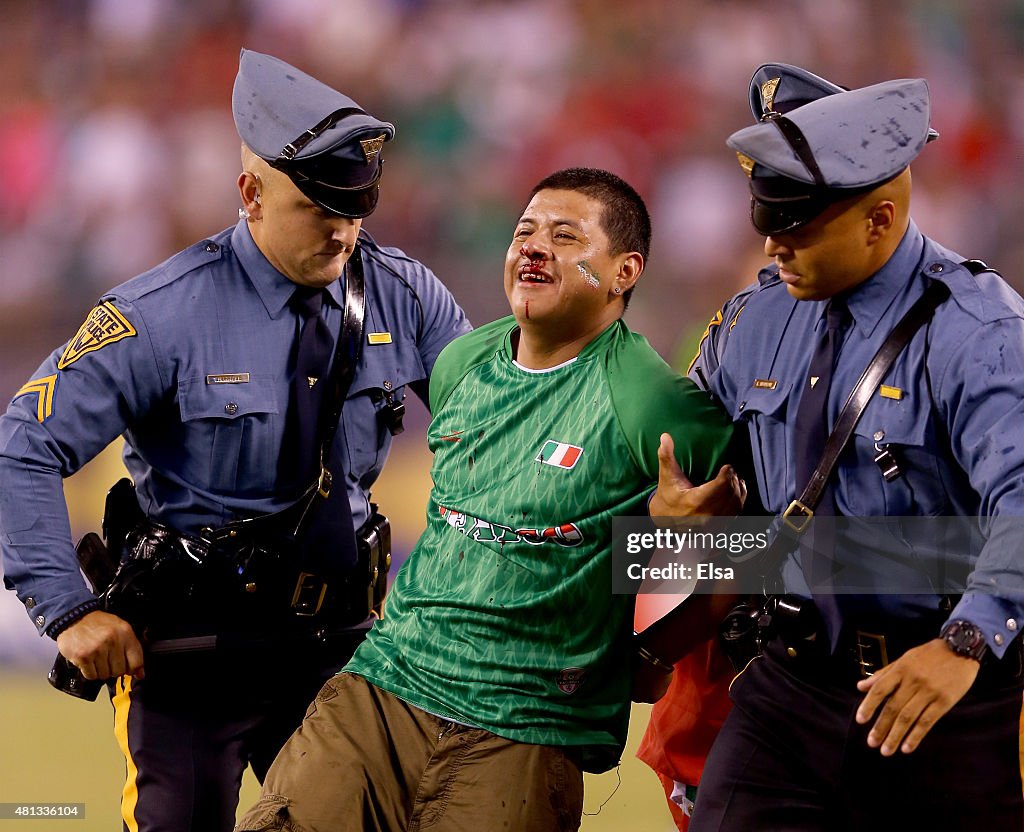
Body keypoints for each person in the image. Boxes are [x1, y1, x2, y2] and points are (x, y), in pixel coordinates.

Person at [0, 48, 470, 832]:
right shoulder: (158, 314)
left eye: (355, 211)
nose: (344, 233)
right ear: (250, 194)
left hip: (340, 649)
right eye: (319, 211)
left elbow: (491, 434)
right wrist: (66, 609)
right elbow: (22, 442)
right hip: (191, 655)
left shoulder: (405, 294)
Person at [235, 166, 743, 832]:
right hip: (382, 689)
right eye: (524, 231)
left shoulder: (653, 405)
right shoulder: (462, 364)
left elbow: (756, 548)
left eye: (565, 236)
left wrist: (652, 650)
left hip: (524, 724)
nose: (533, 248)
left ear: (624, 272)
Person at [657, 64, 1024, 831]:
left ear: (881, 219)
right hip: (788, 689)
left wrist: (963, 644)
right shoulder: (756, 317)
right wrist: (673, 512)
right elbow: (690, 474)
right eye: (769, 217)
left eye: (796, 225)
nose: (772, 242)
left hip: (941, 700)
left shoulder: (981, 336)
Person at [634, 64, 855, 832]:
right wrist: (667, 513)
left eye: (799, 204)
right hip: (744, 681)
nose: (774, 237)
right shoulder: (739, 327)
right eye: (770, 200)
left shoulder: (948, 325)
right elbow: (678, 494)